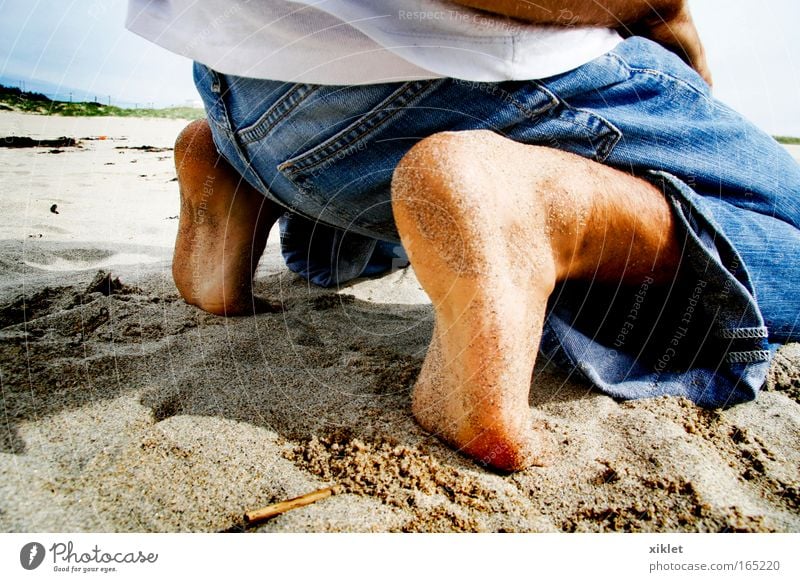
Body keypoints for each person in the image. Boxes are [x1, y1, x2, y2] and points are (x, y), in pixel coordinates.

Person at [128, 0, 800, 471]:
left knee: (407, 215)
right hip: (464, 68)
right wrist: (662, 11)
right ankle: (535, 211)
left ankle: (239, 180)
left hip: (240, 92)